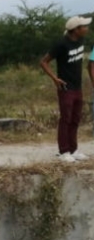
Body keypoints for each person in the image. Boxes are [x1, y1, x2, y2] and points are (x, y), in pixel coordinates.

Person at [40, 16, 90, 163]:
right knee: (66, 119)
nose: (86, 29)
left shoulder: (80, 41)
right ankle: (64, 151)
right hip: (66, 87)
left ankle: (73, 150)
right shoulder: (61, 44)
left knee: (75, 119)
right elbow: (44, 62)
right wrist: (55, 78)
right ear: (76, 29)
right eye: (84, 27)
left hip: (78, 87)